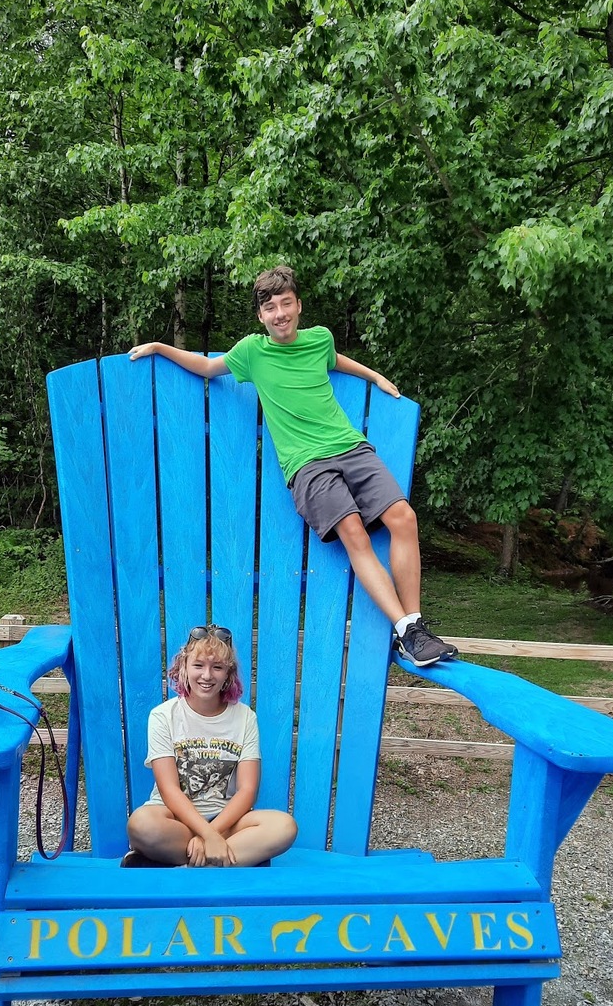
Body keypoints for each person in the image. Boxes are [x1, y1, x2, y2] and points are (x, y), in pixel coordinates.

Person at [129, 265, 456, 666]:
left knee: (404, 517)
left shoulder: (318, 340)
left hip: (350, 447)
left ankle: (414, 625)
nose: (280, 313)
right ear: (261, 317)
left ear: (298, 306)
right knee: (354, 531)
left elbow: (335, 360)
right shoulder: (252, 352)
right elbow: (209, 369)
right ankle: (407, 630)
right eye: (270, 308)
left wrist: (376, 377)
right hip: (307, 466)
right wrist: (161, 347)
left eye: (286, 303)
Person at [123, 624, 298, 868]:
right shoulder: (163, 716)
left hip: (227, 822)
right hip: (174, 818)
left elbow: (247, 791)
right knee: (141, 824)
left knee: (284, 826)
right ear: (183, 667)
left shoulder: (245, 718)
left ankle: (184, 864)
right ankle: (230, 859)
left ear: (229, 673)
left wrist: (212, 833)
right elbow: (169, 789)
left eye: (217, 667)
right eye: (198, 665)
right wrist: (205, 834)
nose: (207, 675)